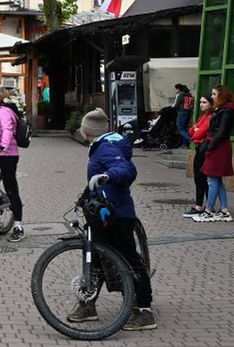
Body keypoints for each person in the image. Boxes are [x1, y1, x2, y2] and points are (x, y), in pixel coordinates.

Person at [73, 110, 157, 331]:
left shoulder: (107, 148)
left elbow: (125, 169)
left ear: (87, 130)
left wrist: (108, 176)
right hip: (101, 211)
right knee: (95, 257)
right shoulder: (103, 145)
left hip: (117, 213)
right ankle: (88, 304)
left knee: (128, 258)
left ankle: (144, 309)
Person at [0, 87, 25, 242]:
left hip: (8, 154)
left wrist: (3, 145)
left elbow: (7, 130)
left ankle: (18, 226)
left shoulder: (5, 112)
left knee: (11, 189)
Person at [194, 84, 234, 223]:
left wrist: (211, 145)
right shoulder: (222, 110)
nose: (212, 97)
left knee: (212, 179)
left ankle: (209, 211)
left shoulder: (226, 111)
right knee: (216, 179)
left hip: (218, 146)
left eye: (213, 94)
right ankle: (224, 211)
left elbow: (222, 131)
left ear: (221, 95)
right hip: (217, 145)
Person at [183, 96, 213, 219]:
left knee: (202, 178)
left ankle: (203, 206)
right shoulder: (203, 116)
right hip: (199, 147)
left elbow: (198, 133)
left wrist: (196, 130)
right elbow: (191, 131)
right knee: (200, 178)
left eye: (204, 102)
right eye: (200, 102)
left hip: (203, 148)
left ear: (211, 104)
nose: (201, 104)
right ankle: (202, 205)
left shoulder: (210, 117)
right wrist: (195, 130)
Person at [172, 84, 193, 149]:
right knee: (184, 129)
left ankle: (192, 142)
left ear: (178, 88)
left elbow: (176, 104)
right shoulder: (189, 94)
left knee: (181, 129)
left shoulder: (181, 94)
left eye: (175, 89)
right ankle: (185, 145)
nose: (175, 90)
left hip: (182, 112)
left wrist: (173, 108)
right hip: (189, 112)